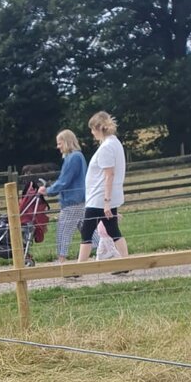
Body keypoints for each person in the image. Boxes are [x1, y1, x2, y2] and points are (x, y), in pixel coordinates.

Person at [77, 111, 128, 266]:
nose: (92, 133)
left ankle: (78, 269)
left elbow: (109, 175)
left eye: (93, 129)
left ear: (99, 128)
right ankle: (126, 263)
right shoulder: (114, 142)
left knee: (86, 232)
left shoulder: (106, 147)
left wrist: (106, 201)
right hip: (102, 197)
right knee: (113, 231)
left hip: (99, 199)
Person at [39, 130, 86, 264]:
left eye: (59, 143)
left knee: (63, 231)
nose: (58, 147)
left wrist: (48, 191)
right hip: (80, 200)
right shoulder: (78, 156)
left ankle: (61, 260)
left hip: (71, 201)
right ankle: (108, 251)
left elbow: (64, 180)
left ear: (66, 142)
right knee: (88, 231)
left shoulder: (73, 158)